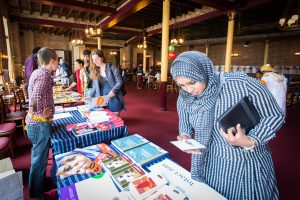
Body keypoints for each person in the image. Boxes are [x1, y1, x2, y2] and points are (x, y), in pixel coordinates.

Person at [170, 51, 284, 200]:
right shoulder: (185, 97)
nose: (189, 89)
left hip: (245, 160)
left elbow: (275, 115)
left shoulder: (240, 83)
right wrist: (185, 137)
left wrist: (251, 140)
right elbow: (185, 125)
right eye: (182, 85)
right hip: (210, 161)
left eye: (192, 82)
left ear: (204, 71)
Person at [25, 47, 58, 199]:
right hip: (39, 124)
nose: (58, 63)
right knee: (39, 160)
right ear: (52, 61)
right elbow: (36, 96)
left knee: (40, 157)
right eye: (57, 61)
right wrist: (39, 112)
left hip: (36, 123)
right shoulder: (44, 75)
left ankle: (38, 184)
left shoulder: (38, 72)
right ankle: (37, 194)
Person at [89, 49, 125, 116]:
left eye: (97, 59)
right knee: (104, 120)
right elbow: (95, 87)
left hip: (114, 97)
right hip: (101, 98)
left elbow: (119, 81)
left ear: (102, 58)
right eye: (93, 59)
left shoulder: (111, 67)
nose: (95, 61)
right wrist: (89, 96)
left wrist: (114, 91)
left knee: (114, 120)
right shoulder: (95, 70)